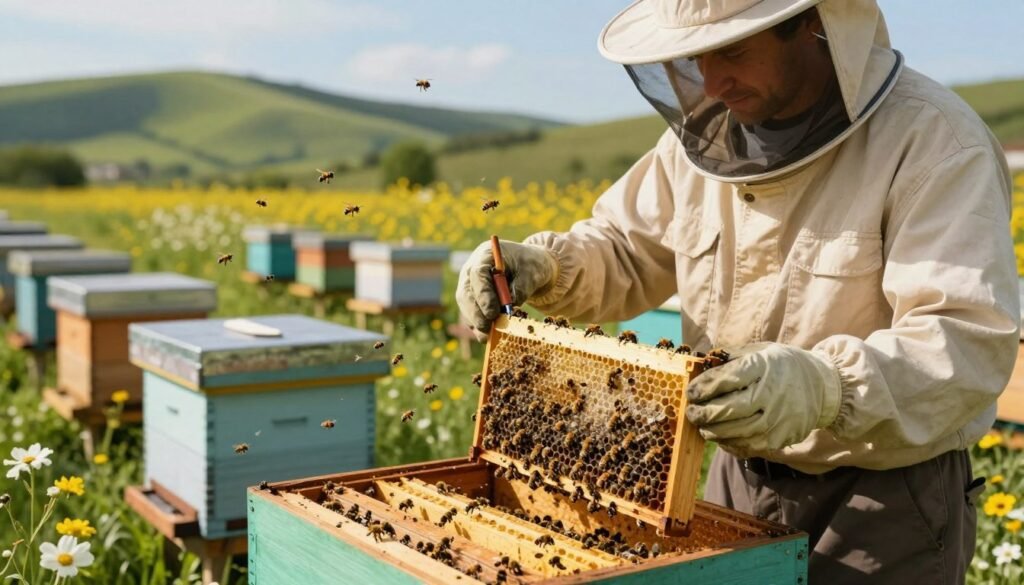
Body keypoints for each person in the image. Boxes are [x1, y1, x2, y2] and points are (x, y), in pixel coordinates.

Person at [456, 0, 1020, 583]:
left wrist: (824, 386)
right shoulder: (703, 141)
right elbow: (626, 248)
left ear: (812, 25)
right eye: (696, 57)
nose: (712, 81)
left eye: (733, 50)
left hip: (879, 501)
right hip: (730, 476)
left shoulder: (934, 142)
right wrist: (549, 266)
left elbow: (963, 341)